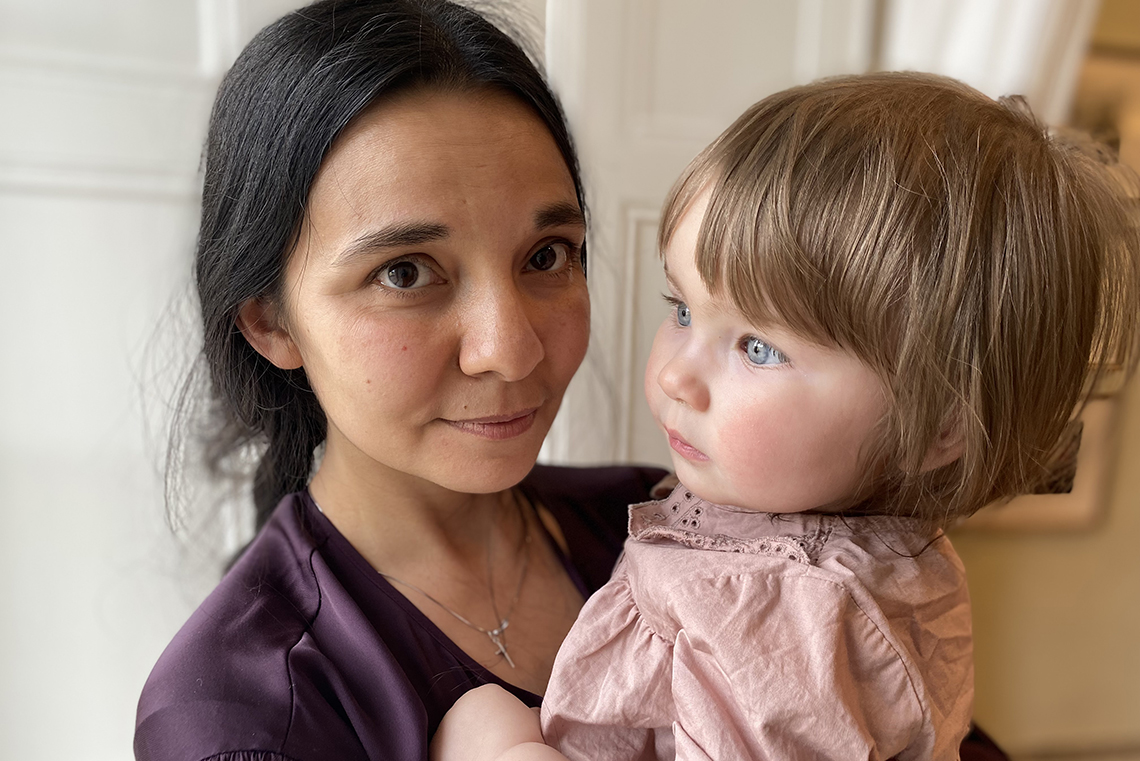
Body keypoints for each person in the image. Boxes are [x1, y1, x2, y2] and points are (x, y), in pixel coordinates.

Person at [430, 73, 1139, 761]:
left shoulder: (781, 608)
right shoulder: (879, 553)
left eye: (759, 346)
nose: (676, 373)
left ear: (936, 429)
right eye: (680, 308)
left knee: (482, 721)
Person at [133, 1, 668, 759]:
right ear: (270, 323)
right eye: (406, 272)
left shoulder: (666, 530)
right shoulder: (242, 715)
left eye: (546, 255)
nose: (509, 351)